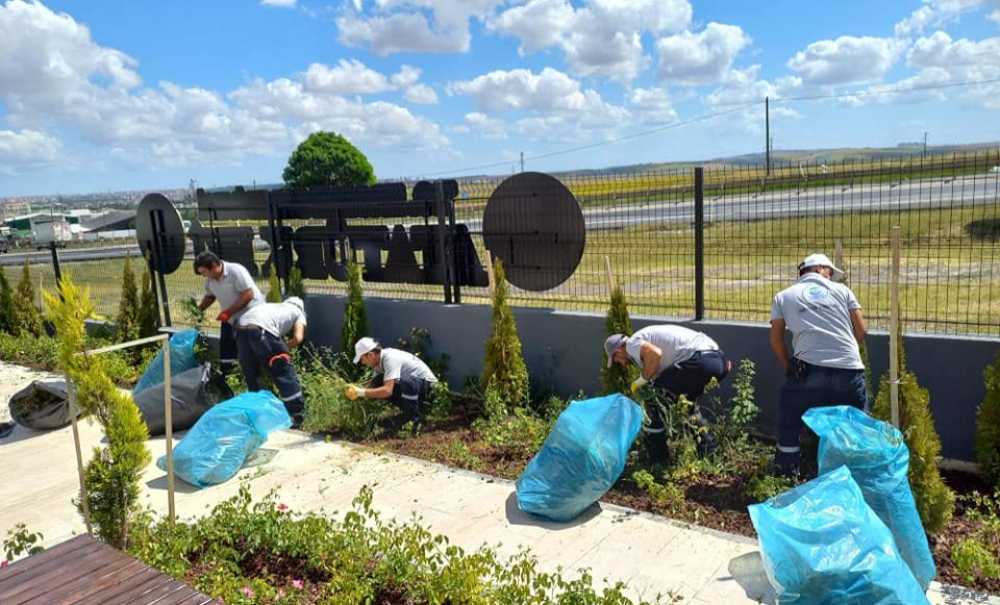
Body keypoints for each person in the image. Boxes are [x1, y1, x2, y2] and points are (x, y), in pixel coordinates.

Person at [770, 253, 868, 476]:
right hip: (850, 370)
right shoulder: (843, 291)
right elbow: (862, 331)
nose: (830, 276)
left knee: (790, 418)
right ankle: (855, 479)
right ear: (820, 269)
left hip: (808, 370)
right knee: (854, 427)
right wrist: (844, 353)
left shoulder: (783, 296)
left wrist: (789, 367)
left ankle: (786, 473)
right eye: (830, 272)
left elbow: (776, 340)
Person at [604, 324, 730, 463]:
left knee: (655, 400)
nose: (620, 363)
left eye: (616, 359)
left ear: (618, 351)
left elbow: (655, 354)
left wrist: (640, 381)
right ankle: (710, 453)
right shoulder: (642, 341)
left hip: (700, 360)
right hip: (718, 361)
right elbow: (660, 370)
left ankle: (658, 460)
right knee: (687, 407)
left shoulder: (631, 344)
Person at [236, 297, 308, 426]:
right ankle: (296, 415)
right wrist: (284, 348)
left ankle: (258, 415)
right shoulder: (298, 312)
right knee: (283, 370)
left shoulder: (274, 306)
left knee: (252, 374)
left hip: (241, 329)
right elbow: (298, 338)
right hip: (261, 329)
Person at [345, 337, 439, 431]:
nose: (362, 362)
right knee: (378, 382)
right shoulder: (378, 363)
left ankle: (415, 419)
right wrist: (356, 389)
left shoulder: (390, 358)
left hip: (428, 388)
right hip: (414, 388)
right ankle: (411, 412)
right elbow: (373, 385)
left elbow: (387, 391)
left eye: (362, 359)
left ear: (370, 355)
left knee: (405, 382)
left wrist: (360, 392)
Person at [194, 251, 264, 374]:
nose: (204, 276)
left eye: (204, 272)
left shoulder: (235, 271)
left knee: (248, 349)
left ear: (214, 266)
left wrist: (228, 312)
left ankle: (254, 376)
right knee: (227, 348)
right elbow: (210, 296)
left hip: (251, 317)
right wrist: (198, 310)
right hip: (231, 317)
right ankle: (228, 376)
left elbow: (248, 294)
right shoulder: (210, 280)